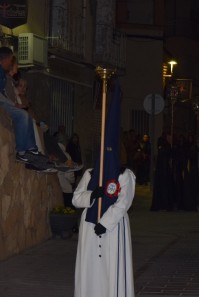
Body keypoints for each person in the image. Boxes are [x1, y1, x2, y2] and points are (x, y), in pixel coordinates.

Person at [73, 78, 135, 297]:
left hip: (112, 228)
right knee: (90, 272)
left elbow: (123, 203)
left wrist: (106, 223)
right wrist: (92, 194)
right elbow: (76, 198)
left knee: (111, 272)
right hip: (90, 228)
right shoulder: (90, 174)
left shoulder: (125, 176)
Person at [0, 47, 45, 165]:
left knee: (26, 116)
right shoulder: (1, 73)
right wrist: (14, 104)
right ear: (4, 59)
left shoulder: (2, 74)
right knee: (22, 116)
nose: (11, 63)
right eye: (10, 60)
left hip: (3, 101)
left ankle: (31, 150)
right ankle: (22, 152)